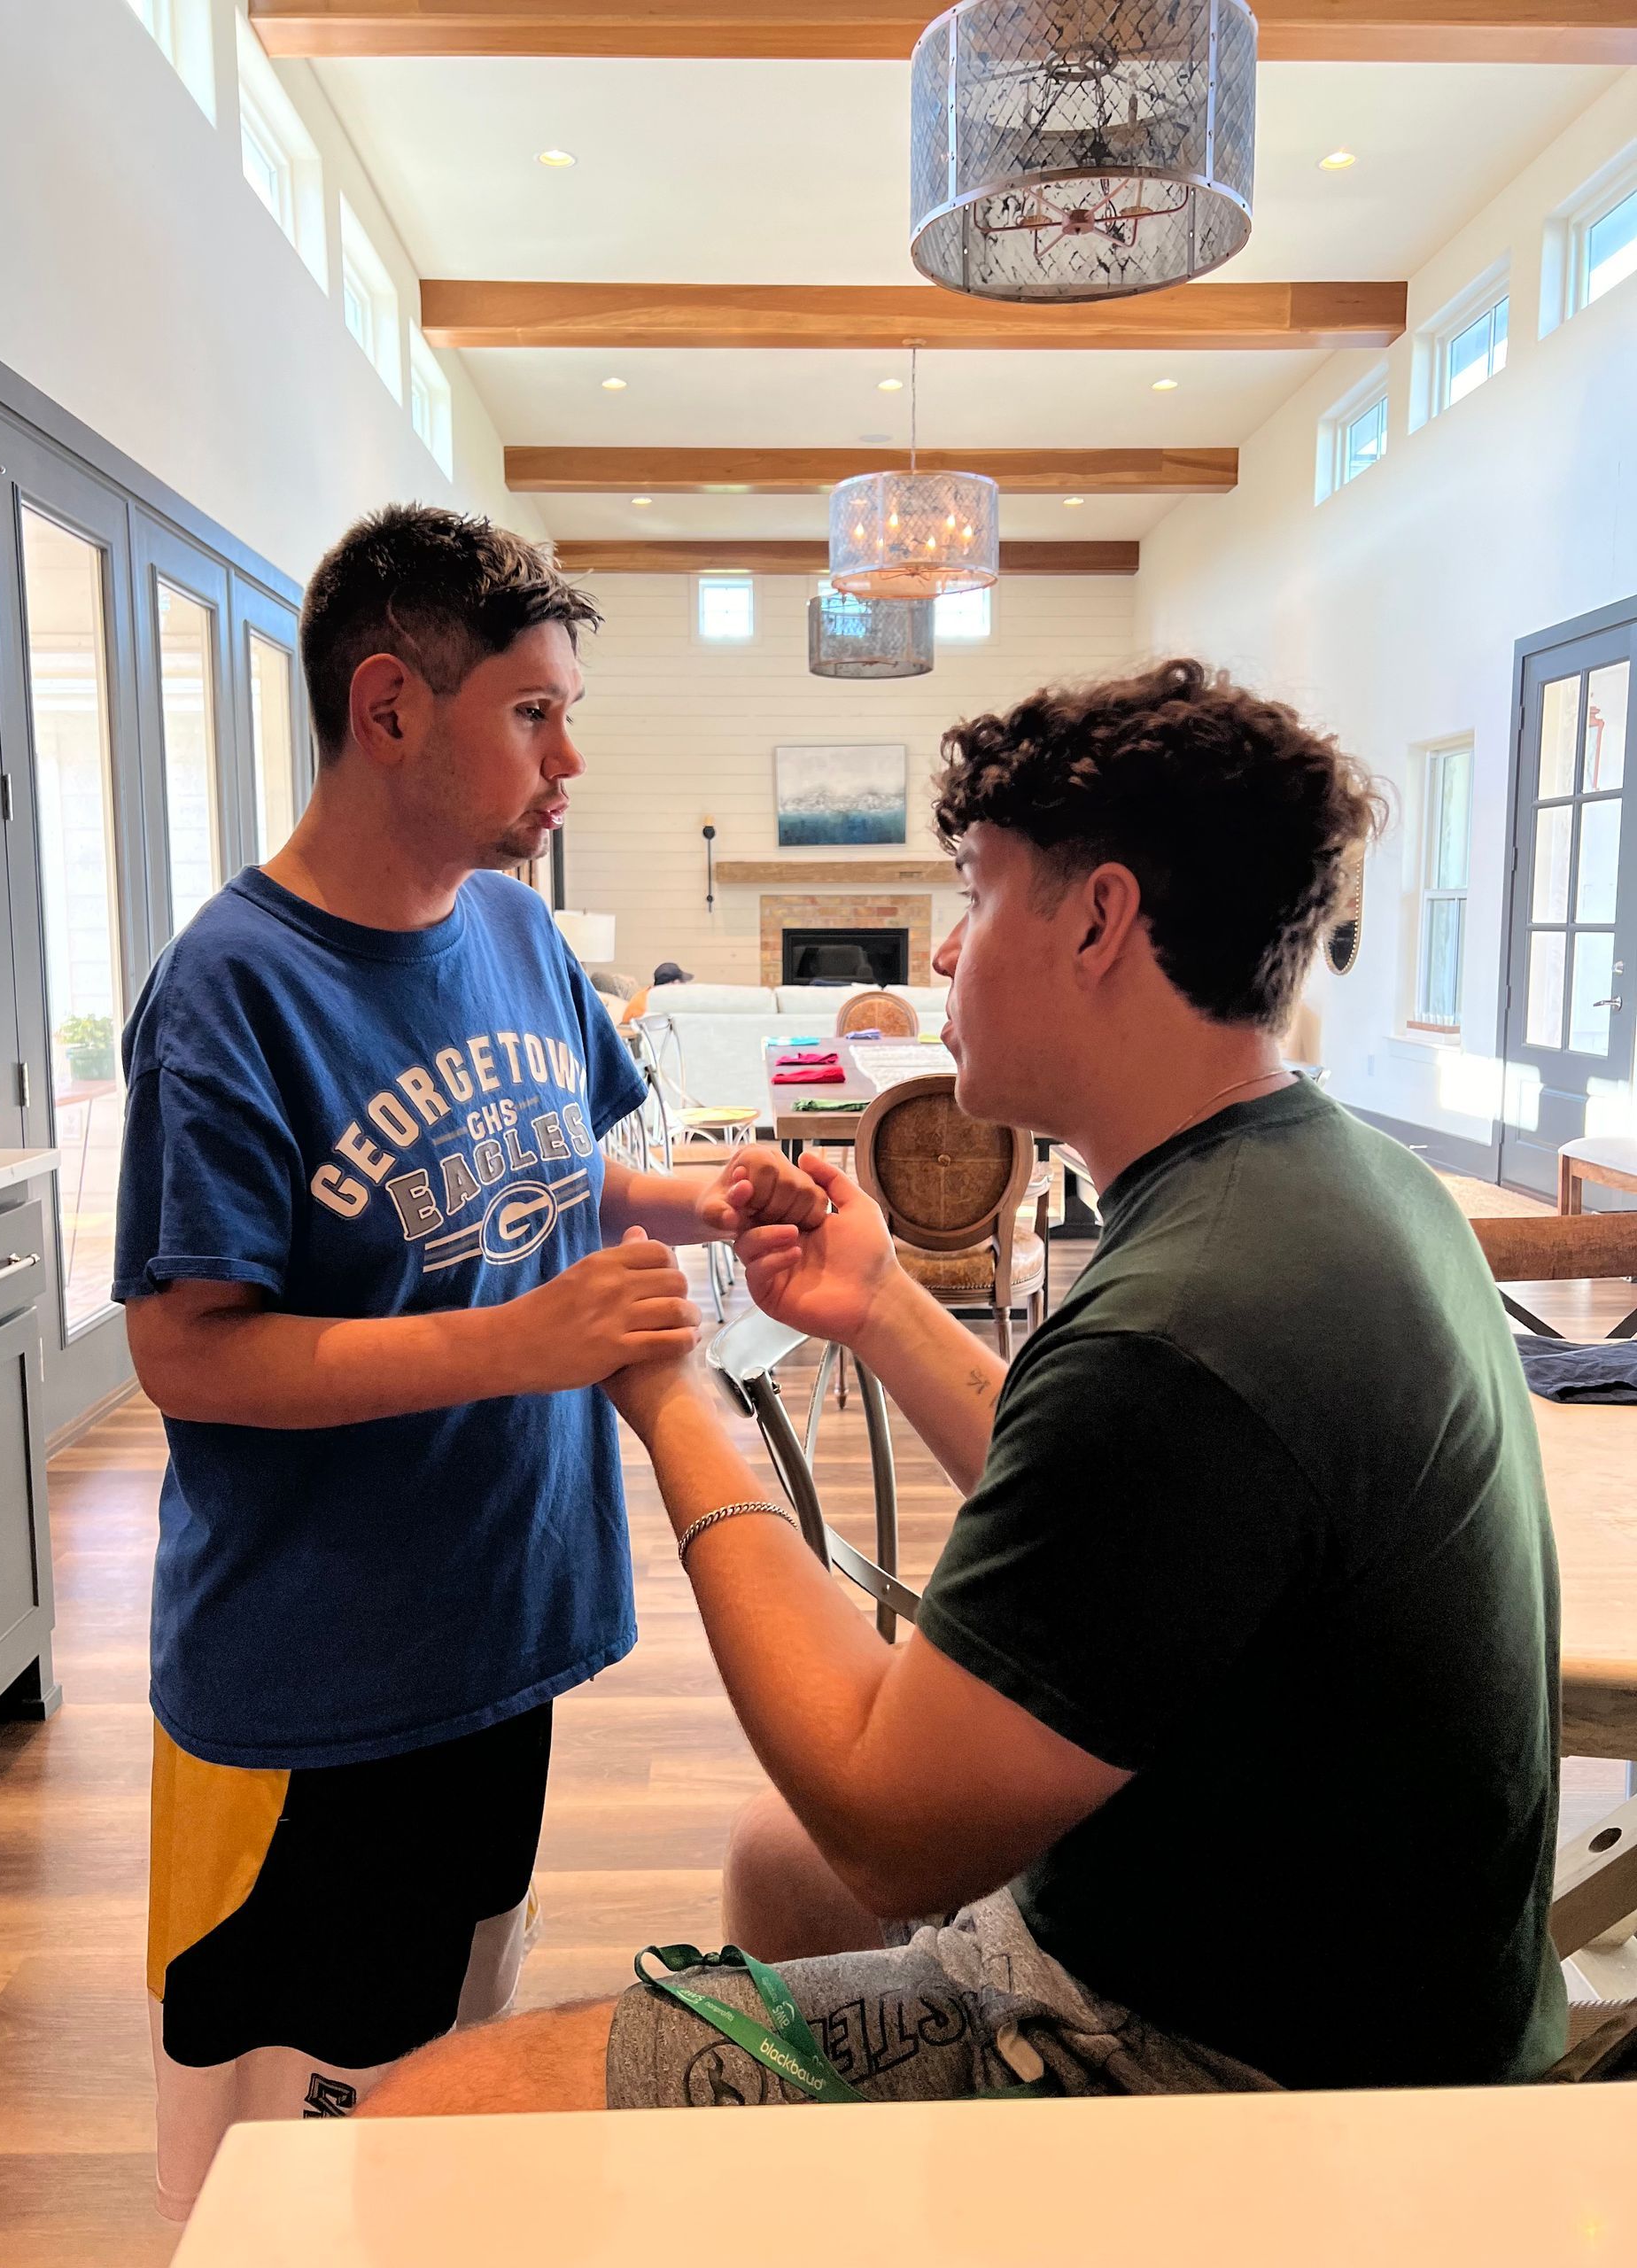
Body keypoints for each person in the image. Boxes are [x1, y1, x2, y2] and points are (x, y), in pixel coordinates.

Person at [359, 657, 1565, 2122]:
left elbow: (885, 1821)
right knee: (773, 1866)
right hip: (1369, 1973)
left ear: (1100, 921)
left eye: (978, 895)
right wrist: (878, 1304)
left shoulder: (1181, 1332)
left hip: (1239, 2070)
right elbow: (1129, 1518)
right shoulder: (1333, 1180)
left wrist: (672, 1392)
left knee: (436, 2109)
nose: (939, 953)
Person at [113, 505, 825, 2214]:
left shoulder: (515, 934)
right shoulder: (230, 989)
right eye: (532, 713)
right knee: (290, 2132)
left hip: (505, 1619)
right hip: (311, 1684)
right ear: (389, 709)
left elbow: (550, 1169)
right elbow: (188, 1354)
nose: (569, 759)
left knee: (444, 2047)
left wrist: (698, 1199)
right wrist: (516, 1342)